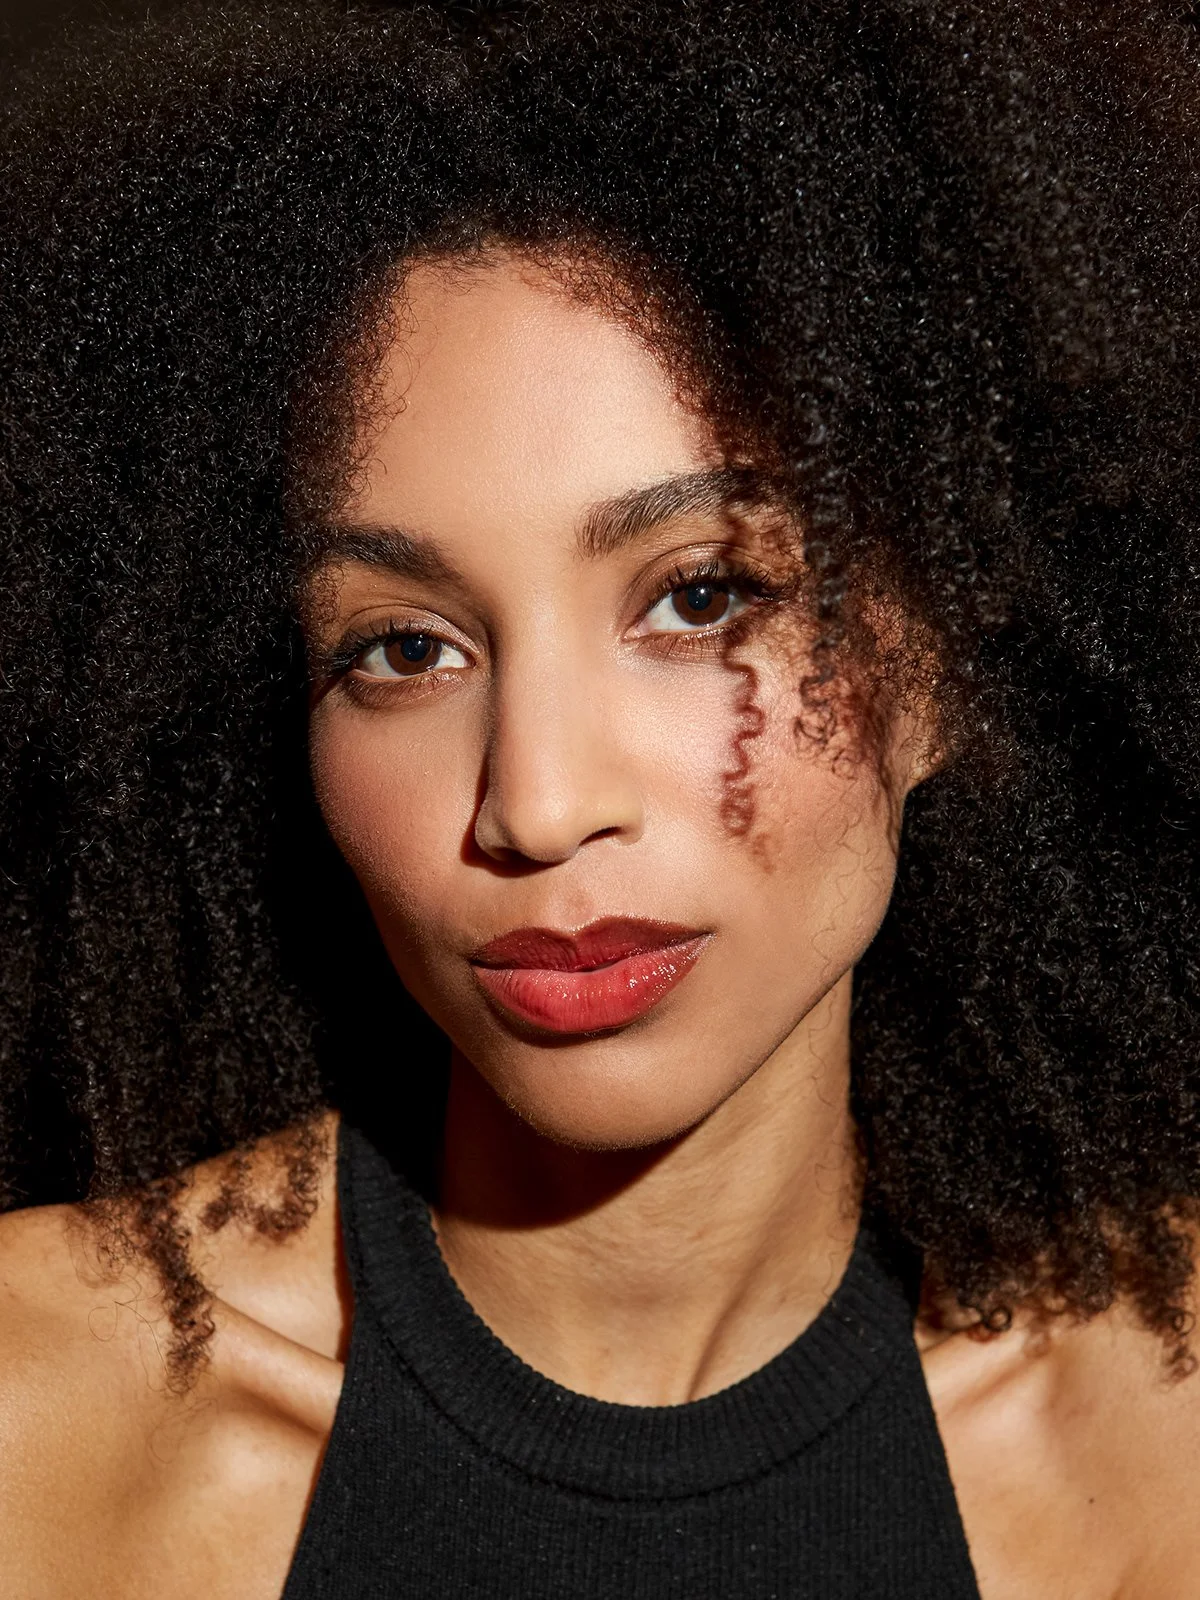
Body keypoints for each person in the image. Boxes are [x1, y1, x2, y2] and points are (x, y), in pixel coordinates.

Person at [1, 1, 1199, 1594]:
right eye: (406, 648)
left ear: (945, 664)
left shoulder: (1166, 1446)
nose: (540, 804)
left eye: (699, 597)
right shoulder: (37, 1425)